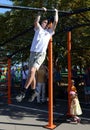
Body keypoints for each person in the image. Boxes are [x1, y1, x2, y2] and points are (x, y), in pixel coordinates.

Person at [16, 7, 58, 102]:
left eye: (46, 22)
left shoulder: (49, 32)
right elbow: (36, 22)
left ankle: (23, 91)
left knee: (32, 71)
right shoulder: (38, 29)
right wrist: (40, 12)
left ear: (48, 25)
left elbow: (56, 22)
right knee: (32, 74)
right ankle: (34, 91)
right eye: (43, 22)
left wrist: (56, 12)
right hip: (32, 53)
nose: (44, 23)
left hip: (41, 54)